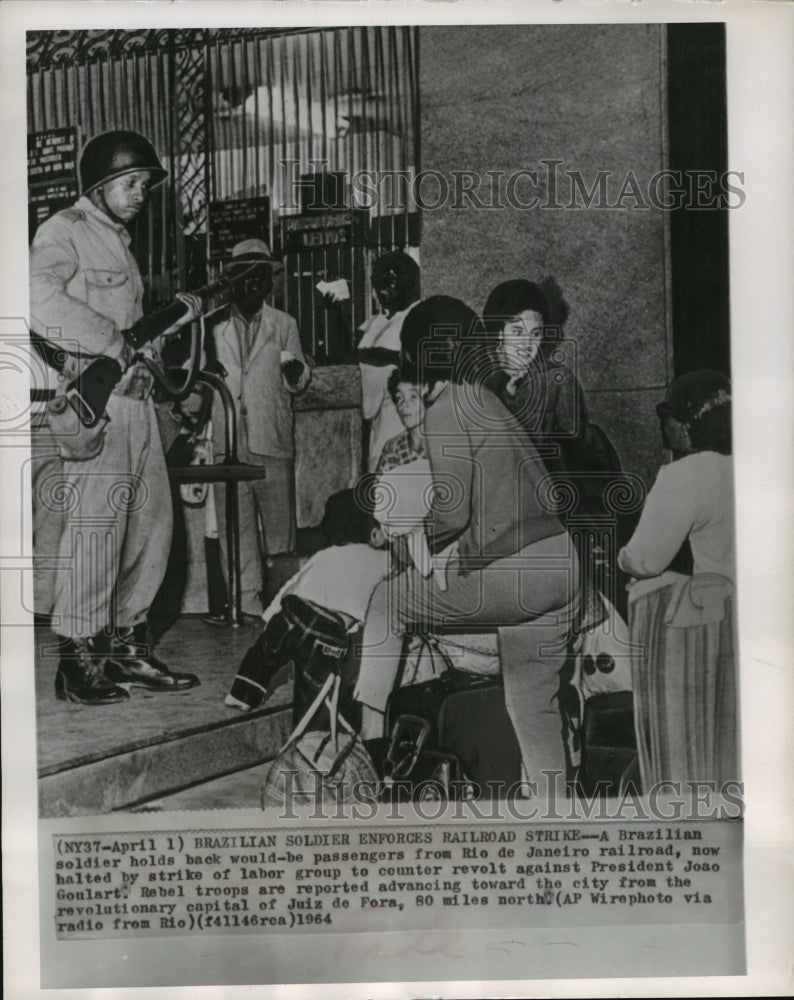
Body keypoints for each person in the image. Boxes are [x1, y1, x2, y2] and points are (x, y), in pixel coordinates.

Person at [354, 296, 581, 784]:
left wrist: (412, 542)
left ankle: (370, 747)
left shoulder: (447, 405)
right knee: (531, 707)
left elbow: (452, 514)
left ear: (417, 354)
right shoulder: (487, 399)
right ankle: (553, 822)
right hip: (563, 566)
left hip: (518, 573)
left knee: (386, 601)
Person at [29, 129, 201, 704]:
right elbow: (35, 297)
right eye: (131, 183)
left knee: (152, 530)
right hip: (98, 410)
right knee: (98, 532)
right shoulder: (64, 232)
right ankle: (77, 661)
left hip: (139, 404)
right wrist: (107, 340)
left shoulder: (117, 241)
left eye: (145, 186)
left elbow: (131, 333)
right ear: (100, 185)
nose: (140, 194)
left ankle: (126, 647)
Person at [618, 370, 736, 786]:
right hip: (744, 627)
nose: (661, 425)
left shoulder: (686, 474)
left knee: (686, 754)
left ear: (687, 424)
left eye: (666, 416)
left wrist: (622, 559)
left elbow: (645, 560)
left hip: (698, 631)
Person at [208, 238, 311, 620]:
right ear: (231, 280)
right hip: (228, 442)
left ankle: (285, 609)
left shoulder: (285, 324)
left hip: (272, 439)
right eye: (246, 276)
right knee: (236, 534)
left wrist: (298, 374)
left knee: (281, 534)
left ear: (270, 282)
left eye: (261, 277)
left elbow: (297, 380)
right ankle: (244, 607)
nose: (254, 284)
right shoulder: (212, 326)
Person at [226, 485, 390, 711]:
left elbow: (291, 587)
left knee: (265, 654)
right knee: (316, 682)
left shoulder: (325, 555)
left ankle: (242, 693)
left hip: (294, 616)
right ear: (375, 534)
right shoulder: (384, 561)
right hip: (331, 633)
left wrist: (272, 616)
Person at [357, 251, 420, 472]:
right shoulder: (377, 321)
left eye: (391, 279)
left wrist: (386, 357)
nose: (383, 288)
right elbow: (354, 355)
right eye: (378, 280)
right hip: (377, 423)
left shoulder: (418, 317)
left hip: (402, 418)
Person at [375, 369, 426, 474]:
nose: (404, 404)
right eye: (399, 398)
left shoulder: (442, 445)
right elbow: (380, 488)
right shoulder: (393, 448)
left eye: (413, 396)